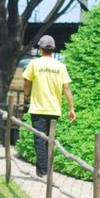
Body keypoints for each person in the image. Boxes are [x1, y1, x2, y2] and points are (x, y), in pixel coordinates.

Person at [22, 35, 76, 177]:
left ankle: (43, 171)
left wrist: (26, 95)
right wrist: (71, 108)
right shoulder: (60, 66)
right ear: (53, 49)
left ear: (40, 48)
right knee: (49, 140)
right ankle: (46, 169)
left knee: (40, 139)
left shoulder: (34, 64)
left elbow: (27, 82)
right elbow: (67, 88)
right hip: (54, 109)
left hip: (38, 108)